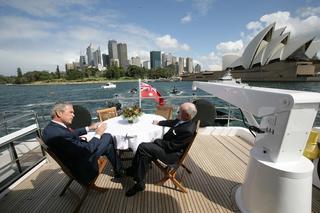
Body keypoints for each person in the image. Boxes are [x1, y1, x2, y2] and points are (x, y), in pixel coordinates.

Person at [125, 102, 198, 197]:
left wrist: (157, 141)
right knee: (145, 153)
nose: (177, 112)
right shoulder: (184, 120)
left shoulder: (187, 130)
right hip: (168, 147)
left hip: (171, 155)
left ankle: (138, 180)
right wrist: (159, 122)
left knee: (143, 147)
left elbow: (172, 146)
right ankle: (137, 174)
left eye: (179, 111)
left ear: (187, 115)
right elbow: (173, 122)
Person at [42, 102, 124, 185]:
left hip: (75, 158)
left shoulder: (50, 129)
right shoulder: (60, 134)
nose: (73, 115)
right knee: (108, 136)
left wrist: (89, 128)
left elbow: (70, 134)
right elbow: (86, 150)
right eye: (71, 112)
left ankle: (119, 171)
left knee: (108, 146)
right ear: (59, 113)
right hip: (84, 165)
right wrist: (98, 134)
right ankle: (120, 168)